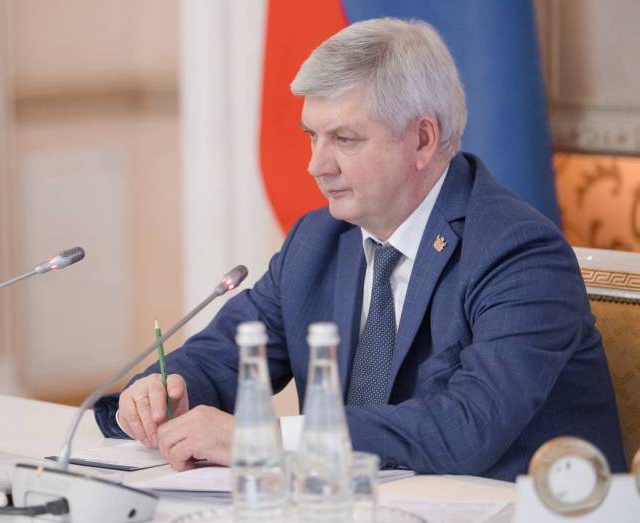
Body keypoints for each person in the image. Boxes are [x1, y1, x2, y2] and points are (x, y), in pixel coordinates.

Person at [93, 17, 625, 481]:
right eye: (312, 136)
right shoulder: (319, 240)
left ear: (422, 140)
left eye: (344, 140)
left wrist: (264, 439)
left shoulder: (518, 253)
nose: (316, 166)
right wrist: (167, 390)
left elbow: (466, 427)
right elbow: (225, 356)